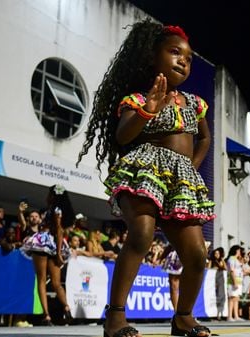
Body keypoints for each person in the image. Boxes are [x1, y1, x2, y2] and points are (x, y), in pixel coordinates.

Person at [77, 19, 215, 337]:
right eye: (174, 52)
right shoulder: (137, 99)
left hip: (181, 178)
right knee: (141, 232)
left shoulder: (195, 104)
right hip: (145, 170)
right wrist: (148, 111)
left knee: (197, 252)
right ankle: (115, 317)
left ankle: (183, 318)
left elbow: (205, 139)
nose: (183, 60)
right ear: (152, 57)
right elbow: (124, 136)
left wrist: (191, 166)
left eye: (189, 57)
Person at [21, 184, 74, 326]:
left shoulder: (55, 210)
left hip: (43, 243)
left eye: (48, 194)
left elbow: (59, 230)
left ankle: (47, 315)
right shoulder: (59, 210)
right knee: (57, 283)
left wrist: (58, 254)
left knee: (41, 280)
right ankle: (66, 307)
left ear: (52, 195)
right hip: (53, 244)